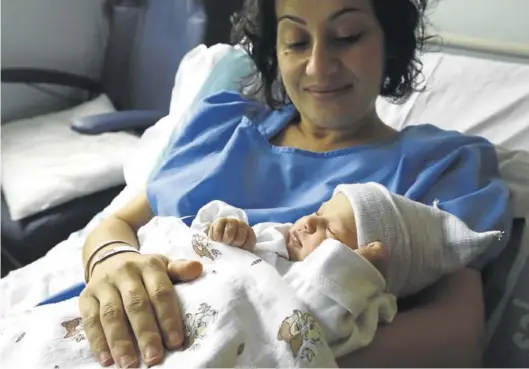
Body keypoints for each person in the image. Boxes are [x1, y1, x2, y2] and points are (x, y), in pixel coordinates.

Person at [78, 0, 512, 368]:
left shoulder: (441, 165)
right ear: (275, 51)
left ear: (389, 41)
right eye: (297, 41)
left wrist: (257, 353)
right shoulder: (222, 123)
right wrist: (112, 262)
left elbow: (457, 336)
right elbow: (116, 223)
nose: (318, 66)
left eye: (347, 36)